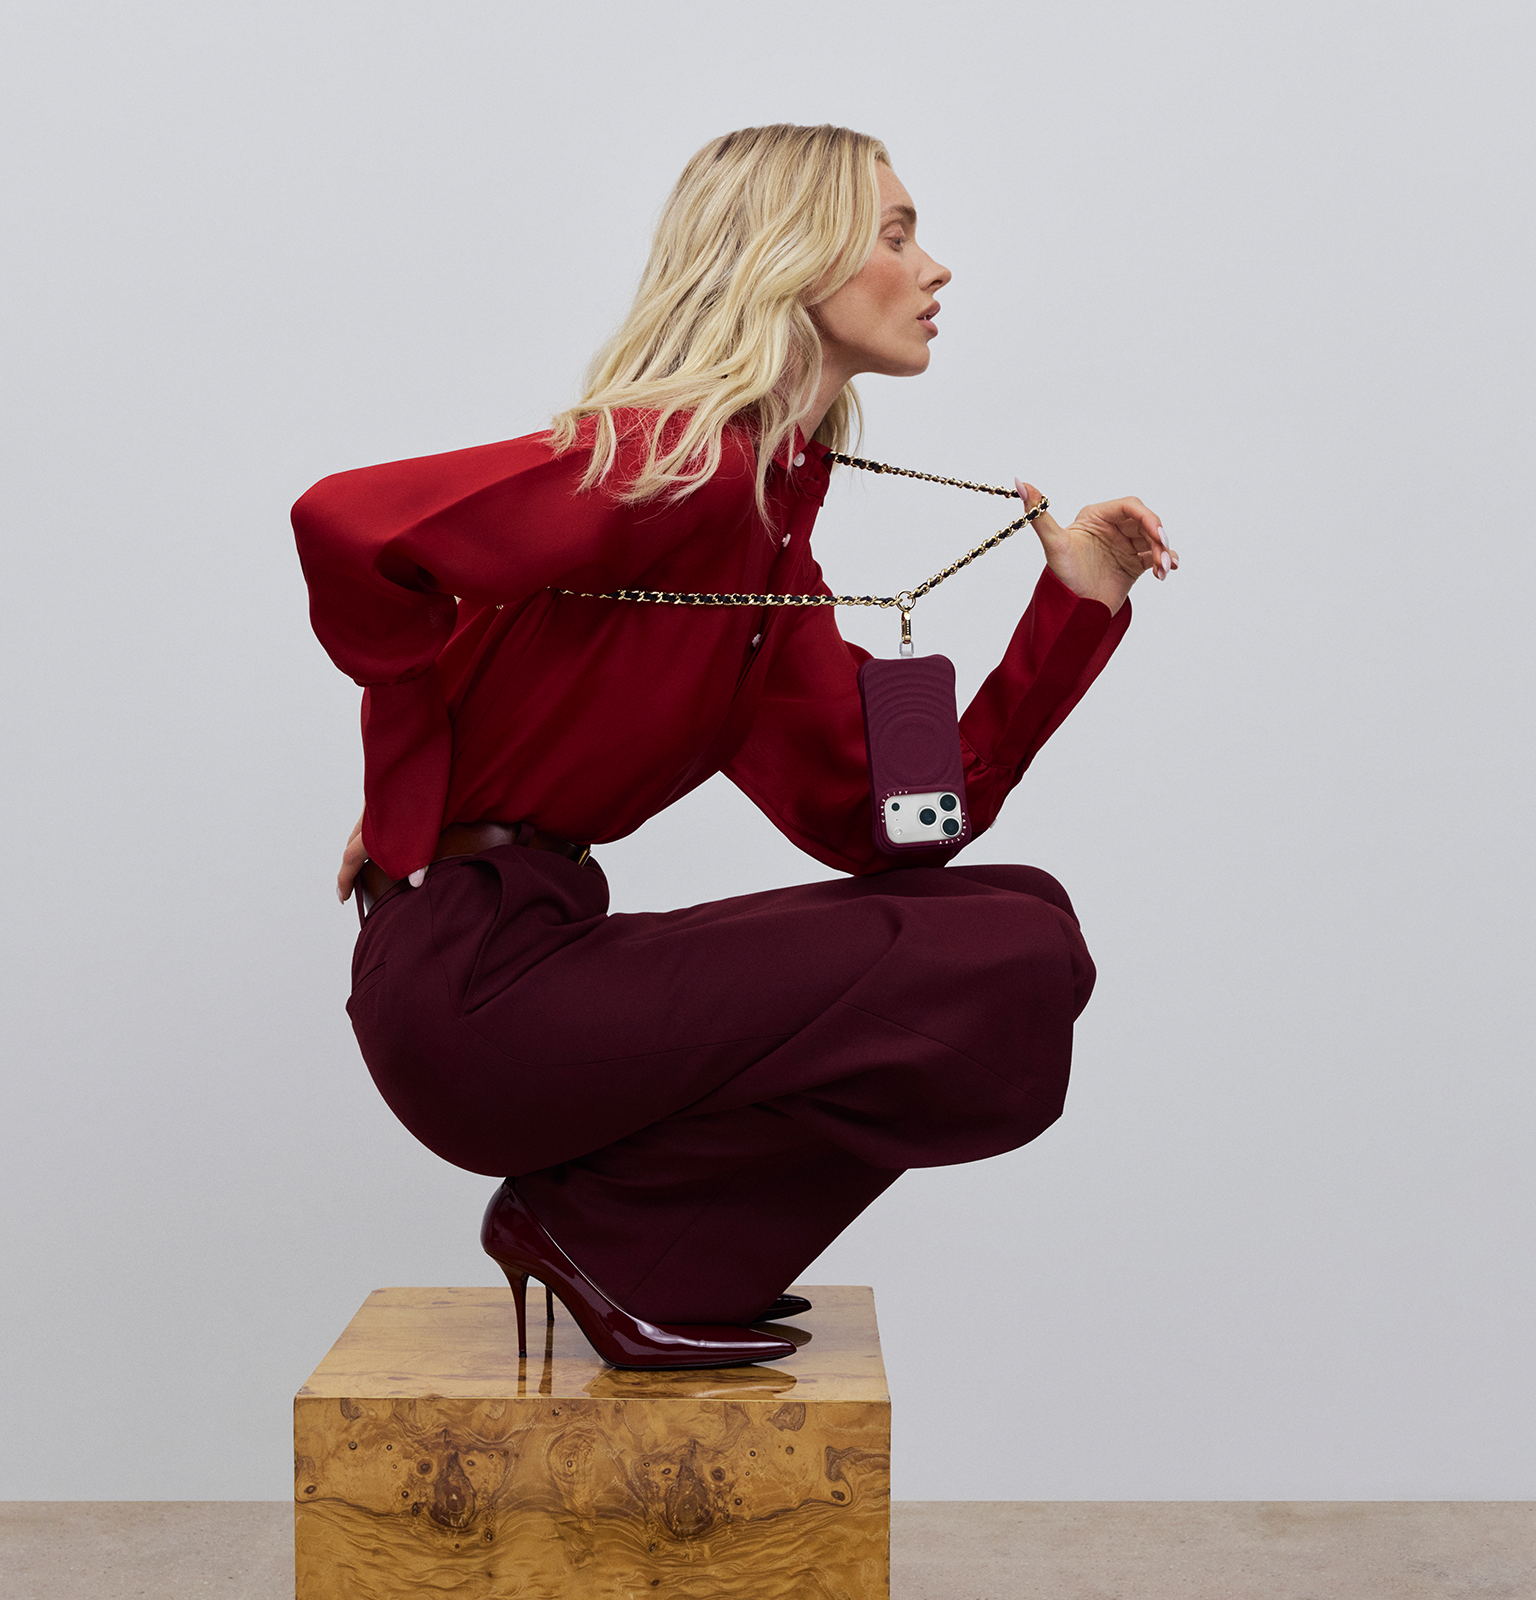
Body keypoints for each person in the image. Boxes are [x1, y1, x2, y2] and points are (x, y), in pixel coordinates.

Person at [292, 123, 1176, 1370]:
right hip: (470, 988)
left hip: (532, 945)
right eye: (896, 234)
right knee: (1011, 950)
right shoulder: (678, 463)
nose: (936, 268)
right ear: (793, 261)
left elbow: (899, 820)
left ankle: (639, 1256)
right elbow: (348, 526)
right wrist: (405, 792)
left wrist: (1075, 605)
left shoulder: (761, 548)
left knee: (1018, 931)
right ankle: (610, 1240)